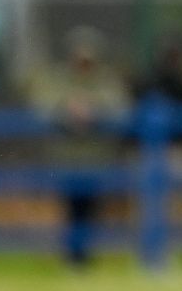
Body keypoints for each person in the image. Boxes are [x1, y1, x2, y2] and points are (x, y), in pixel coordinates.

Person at [35, 27, 130, 270]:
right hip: (66, 158)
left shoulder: (106, 81)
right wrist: (68, 109)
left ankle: (84, 257)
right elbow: (42, 108)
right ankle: (73, 258)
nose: (83, 63)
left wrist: (94, 109)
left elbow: (121, 110)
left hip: (96, 158)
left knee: (91, 208)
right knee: (71, 208)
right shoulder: (58, 79)